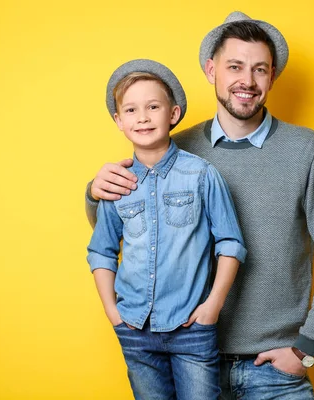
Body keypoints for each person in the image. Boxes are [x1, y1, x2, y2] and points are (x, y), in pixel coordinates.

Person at [86, 12, 314, 399]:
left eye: (260, 70)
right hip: (184, 358)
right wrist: (94, 192)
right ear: (211, 69)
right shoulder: (171, 146)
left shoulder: (305, 149)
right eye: (235, 66)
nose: (247, 81)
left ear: (272, 78)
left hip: (273, 370)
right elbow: (123, 226)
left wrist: (308, 347)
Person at [87, 59, 246, 400]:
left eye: (153, 106)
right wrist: (112, 313)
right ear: (118, 121)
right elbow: (101, 250)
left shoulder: (202, 175)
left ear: (172, 114)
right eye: (130, 109)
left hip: (192, 328)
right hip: (134, 328)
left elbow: (231, 243)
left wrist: (212, 306)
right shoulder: (118, 183)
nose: (142, 117)